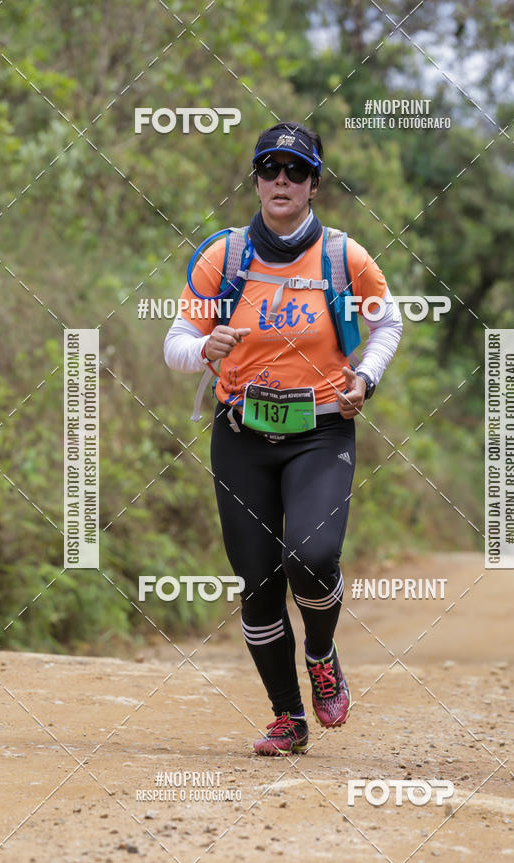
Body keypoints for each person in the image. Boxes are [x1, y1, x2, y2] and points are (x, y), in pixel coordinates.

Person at [164, 121, 402, 755]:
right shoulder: (225, 258)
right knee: (259, 581)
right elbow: (176, 343)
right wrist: (204, 347)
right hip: (241, 434)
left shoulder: (344, 258)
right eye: (270, 168)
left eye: (296, 171)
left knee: (312, 556)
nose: (282, 180)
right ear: (256, 179)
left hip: (321, 431)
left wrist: (366, 379)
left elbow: (389, 324)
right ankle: (288, 717)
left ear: (314, 185)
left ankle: (321, 653)